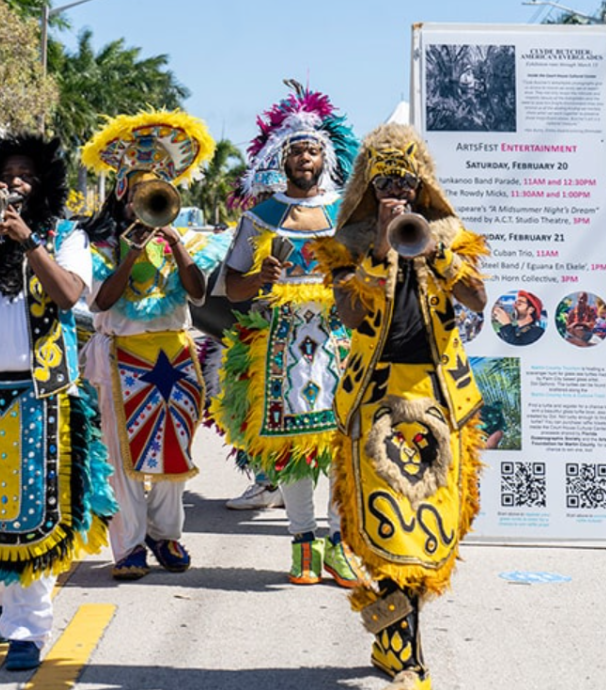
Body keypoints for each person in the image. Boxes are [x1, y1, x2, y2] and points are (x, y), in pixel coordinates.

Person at [317, 123, 488, 690]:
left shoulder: (448, 233)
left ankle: (396, 645)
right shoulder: (348, 242)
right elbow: (345, 314)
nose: (399, 193)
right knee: (387, 528)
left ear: (422, 186)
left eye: (408, 184)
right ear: (368, 186)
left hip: (439, 400)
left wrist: (436, 255)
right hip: (375, 398)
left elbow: (478, 300)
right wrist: (382, 250)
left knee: (429, 529)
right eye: (387, 183)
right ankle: (405, 655)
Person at [0, 133, 116, 671]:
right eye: (6, 173)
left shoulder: (68, 236)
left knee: (37, 515)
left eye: (27, 175)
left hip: (43, 394)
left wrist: (29, 240)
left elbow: (67, 295)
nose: (15, 181)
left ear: (43, 187)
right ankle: (4, 596)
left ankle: (28, 630)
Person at [210, 86, 367, 588]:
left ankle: (339, 547)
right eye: (296, 150)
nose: (305, 157)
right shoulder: (262, 216)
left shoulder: (348, 212)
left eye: (312, 149)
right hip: (281, 342)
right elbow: (232, 288)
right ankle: (303, 545)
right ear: (283, 157)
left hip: (339, 337)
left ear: (326, 156)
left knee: (344, 441)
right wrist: (261, 279)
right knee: (293, 445)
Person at [79, 111, 229, 580]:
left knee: (172, 453)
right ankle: (127, 547)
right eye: (140, 189)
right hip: (119, 356)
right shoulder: (96, 243)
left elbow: (199, 293)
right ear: (122, 192)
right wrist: (132, 252)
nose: (148, 199)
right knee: (121, 458)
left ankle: (166, 536)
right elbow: (102, 299)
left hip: (173, 356)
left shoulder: (184, 239)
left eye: (157, 190)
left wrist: (175, 242)